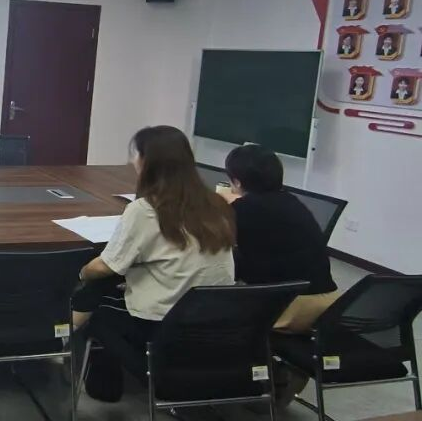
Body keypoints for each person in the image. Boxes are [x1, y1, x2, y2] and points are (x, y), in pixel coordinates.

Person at [72, 125, 235, 402]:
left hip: (161, 327)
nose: (132, 161)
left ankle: (103, 387)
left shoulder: (146, 210)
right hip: (215, 323)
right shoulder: (216, 204)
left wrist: (81, 273)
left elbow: (105, 266)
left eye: (135, 155)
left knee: (99, 302)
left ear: (147, 161)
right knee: (115, 282)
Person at [219, 145, 338, 332]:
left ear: (237, 182)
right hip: (328, 304)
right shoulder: (291, 201)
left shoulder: (243, 209)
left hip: (289, 307)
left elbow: (214, 247)